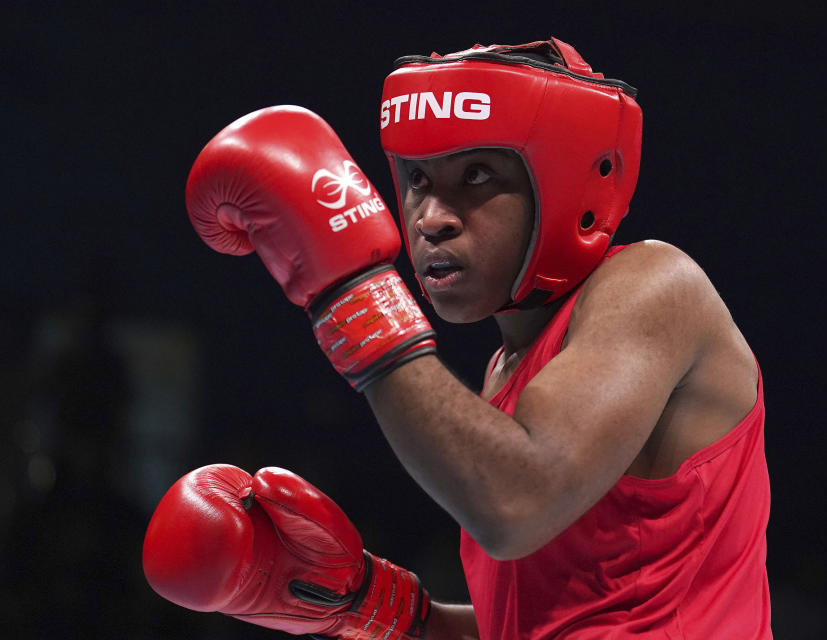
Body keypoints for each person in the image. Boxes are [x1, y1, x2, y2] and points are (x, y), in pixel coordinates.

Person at [142, 38, 772, 639]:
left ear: (561, 186)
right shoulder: (511, 373)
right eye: (417, 179)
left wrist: (351, 294)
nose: (431, 217)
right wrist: (368, 606)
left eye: (476, 177)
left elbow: (516, 501)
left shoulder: (654, 285)